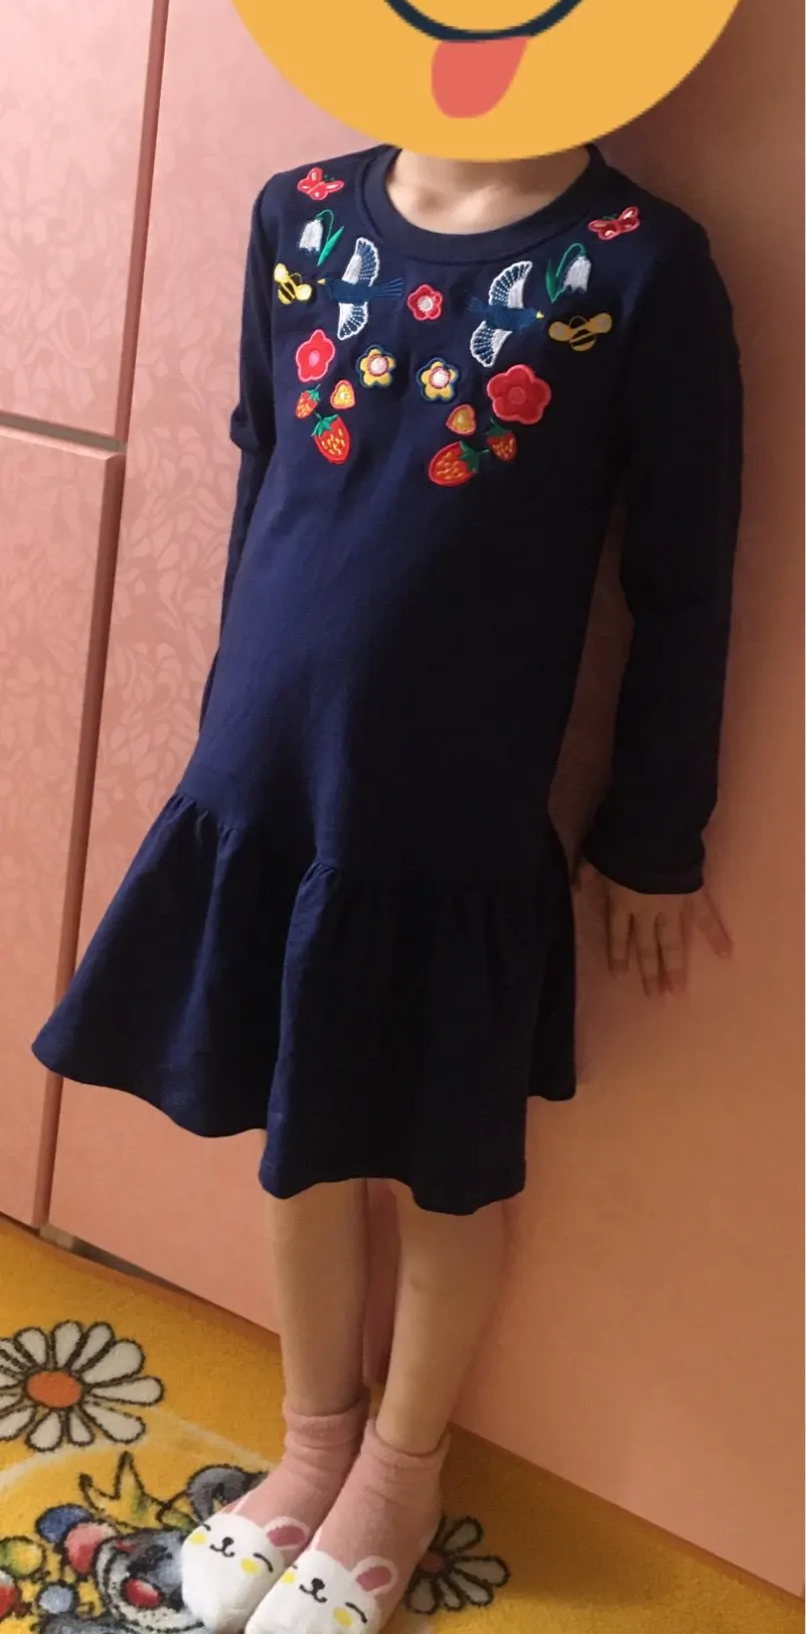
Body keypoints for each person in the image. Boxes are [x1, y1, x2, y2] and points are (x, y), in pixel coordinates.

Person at [34, 138, 741, 1634]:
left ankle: (399, 1473)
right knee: (300, 1138)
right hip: (270, 777)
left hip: (450, 809)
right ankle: (312, 1448)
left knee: (439, 1162)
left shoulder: (639, 263)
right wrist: (227, 722)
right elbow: (263, 465)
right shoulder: (296, 214)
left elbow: (685, 577)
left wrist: (653, 836)